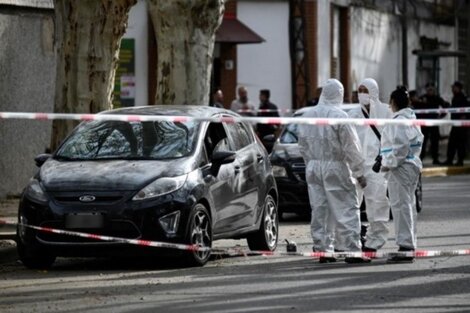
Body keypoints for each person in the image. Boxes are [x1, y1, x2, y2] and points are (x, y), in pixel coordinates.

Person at [298, 78, 370, 264]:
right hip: (336, 167)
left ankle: (323, 250)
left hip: (314, 167)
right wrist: (359, 172)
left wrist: (310, 165)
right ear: (339, 94)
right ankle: (351, 250)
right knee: (346, 208)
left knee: (320, 210)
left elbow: (303, 145)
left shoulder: (307, 116)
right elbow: (351, 147)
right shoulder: (340, 116)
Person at [348, 78, 392, 253]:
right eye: (359, 90)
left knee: (377, 203)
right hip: (356, 165)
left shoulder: (386, 111)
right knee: (352, 203)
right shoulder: (352, 114)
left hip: (376, 166)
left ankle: (375, 241)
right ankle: (352, 238)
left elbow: (391, 136)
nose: (362, 94)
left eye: (365, 90)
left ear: (373, 91)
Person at [380, 86, 423, 263]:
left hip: (400, 168)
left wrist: (386, 163)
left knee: (400, 206)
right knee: (408, 205)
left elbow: (399, 149)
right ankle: (410, 243)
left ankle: (405, 246)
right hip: (411, 165)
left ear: (394, 102)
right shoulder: (411, 117)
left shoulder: (398, 121)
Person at [417, 84, 447, 165]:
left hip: (434, 123)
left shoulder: (437, 98)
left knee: (435, 141)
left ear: (433, 90)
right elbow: (417, 107)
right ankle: (421, 157)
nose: (430, 91)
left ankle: (435, 158)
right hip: (424, 123)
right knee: (423, 141)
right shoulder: (423, 98)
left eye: (431, 89)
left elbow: (446, 106)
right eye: (428, 89)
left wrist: (441, 116)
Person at [445, 81, 469, 166]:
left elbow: (467, 110)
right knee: (452, 143)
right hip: (455, 124)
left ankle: (460, 160)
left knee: (460, 144)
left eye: (454, 87)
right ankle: (449, 160)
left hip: (462, 126)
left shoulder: (463, 98)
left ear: (458, 88)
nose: (452, 89)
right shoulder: (455, 97)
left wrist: (465, 116)